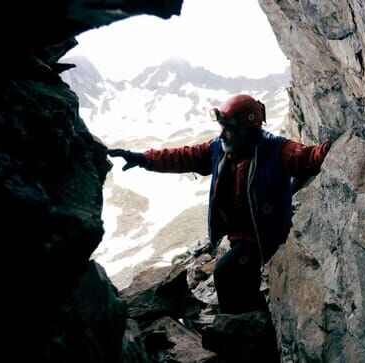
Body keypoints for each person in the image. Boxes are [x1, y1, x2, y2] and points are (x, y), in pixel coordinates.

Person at [107, 94, 331, 315]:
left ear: (247, 132)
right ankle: (249, 328)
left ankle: (244, 330)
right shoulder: (219, 150)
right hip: (240, 238)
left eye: (228, 130)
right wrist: (143, 159)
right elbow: (182, 156)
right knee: (240, 283)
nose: (222, 135)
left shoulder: (275, 150)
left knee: (226, 272)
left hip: (262, 238)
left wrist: (328, 150)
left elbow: (306, 157)